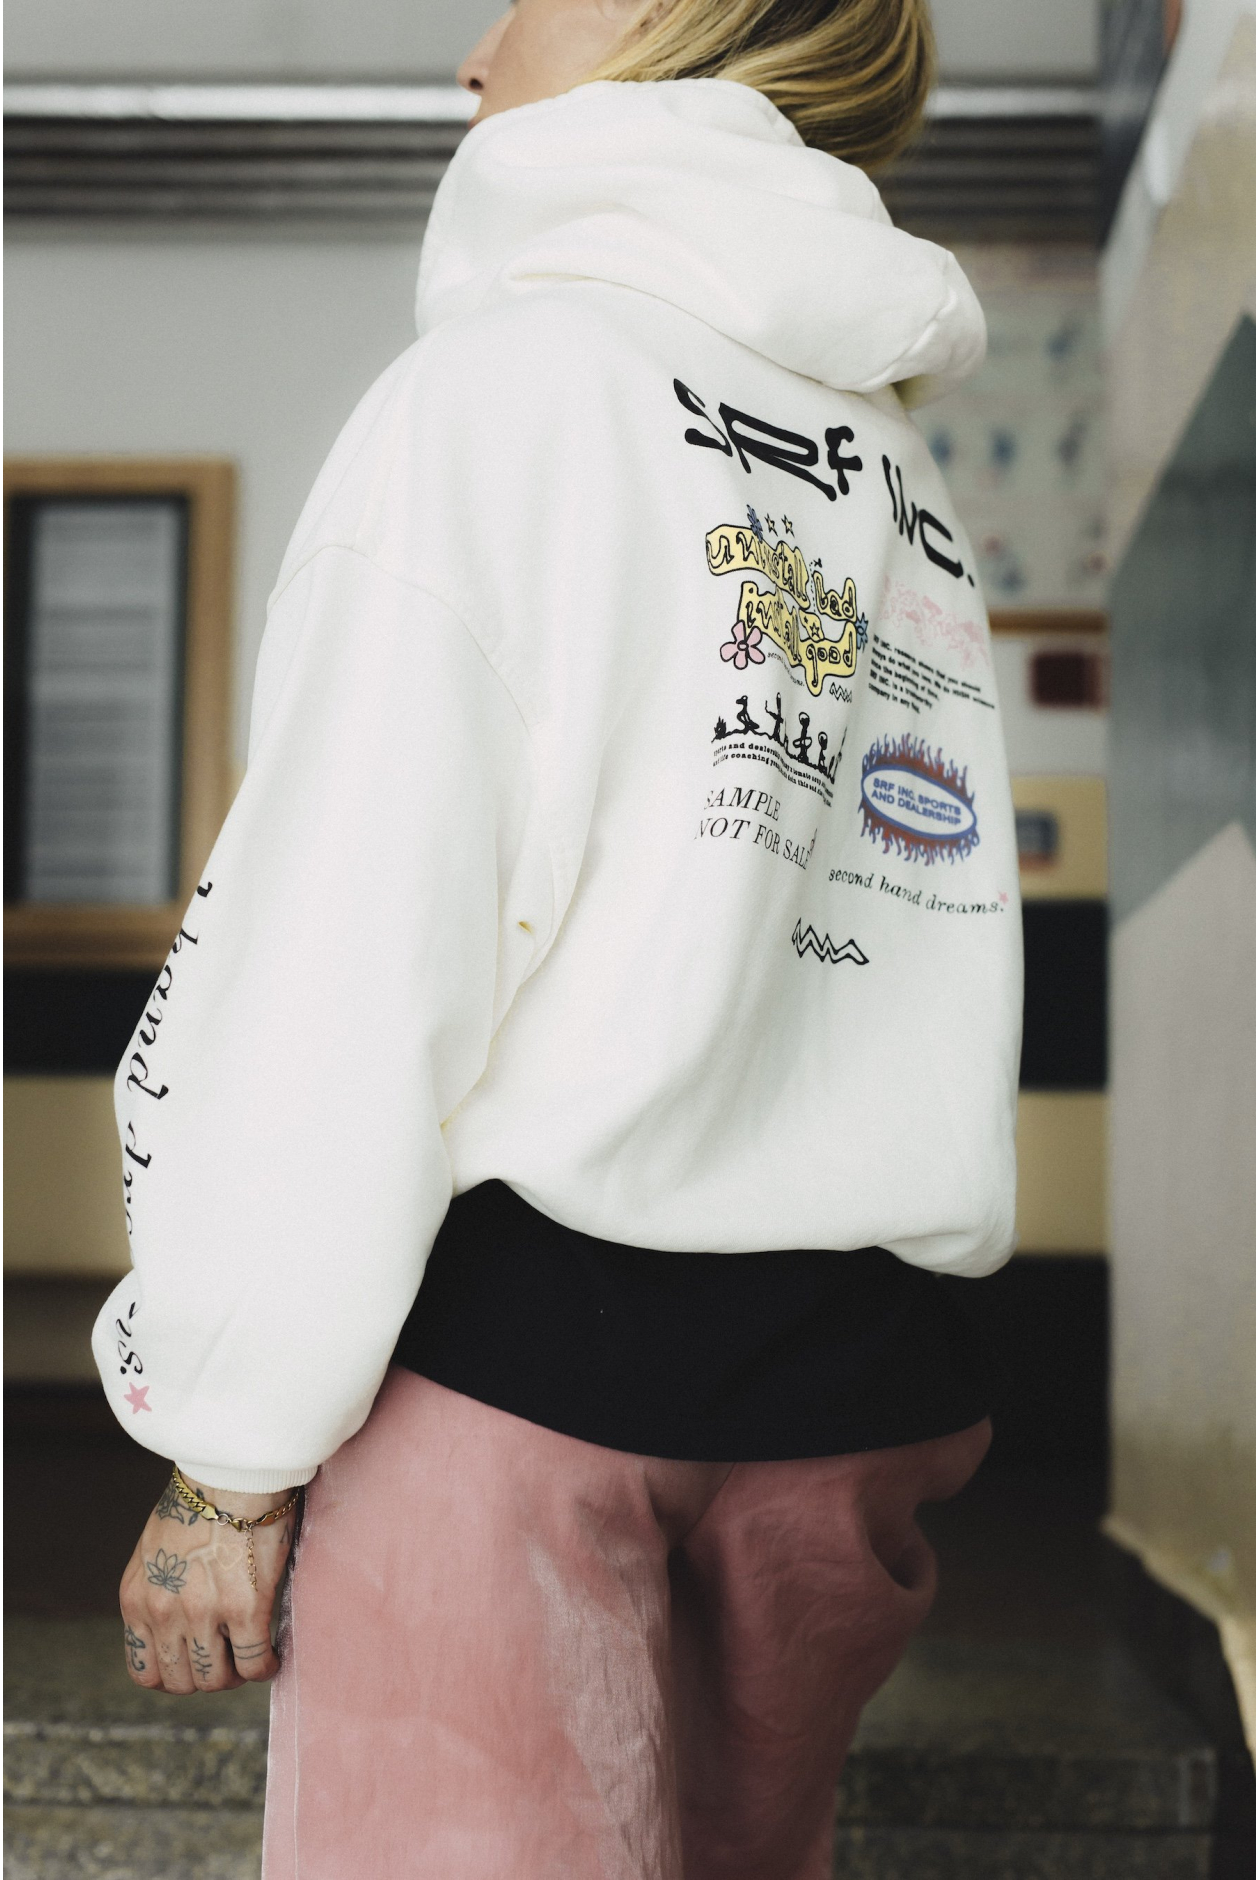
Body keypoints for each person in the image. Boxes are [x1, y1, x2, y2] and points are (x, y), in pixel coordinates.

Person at [99, 0, 1022, 1873]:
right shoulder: (889, 468)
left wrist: (230, 1450)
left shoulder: (502, 392)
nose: (473, 53)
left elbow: (353, 947)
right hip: (850, 1405)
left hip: (520, 1391)